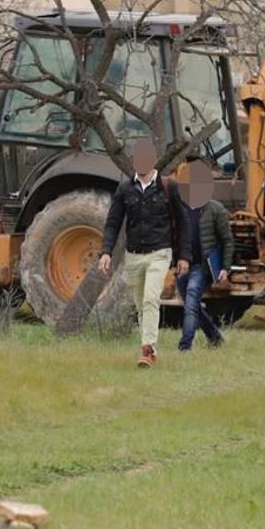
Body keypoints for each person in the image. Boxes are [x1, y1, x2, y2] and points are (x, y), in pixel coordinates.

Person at [98, 138, 190, 368]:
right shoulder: (125, 189)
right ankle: (151, 347)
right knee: (141, 305)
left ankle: (147, 350)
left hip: (160, 252)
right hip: (134, 255)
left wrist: (184, 256)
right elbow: (113, 223)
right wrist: (106, 252)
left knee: (151, 299)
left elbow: (184, 223)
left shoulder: (169, 187)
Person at [175, 159, 233, 351]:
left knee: (191, 300)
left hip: (202, 266)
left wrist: (225, 268)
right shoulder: (180, 207)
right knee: (193, 306)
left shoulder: (215, 209)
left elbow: (227, 240)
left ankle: (185, 347)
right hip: (183, 265)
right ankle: (215, 338)